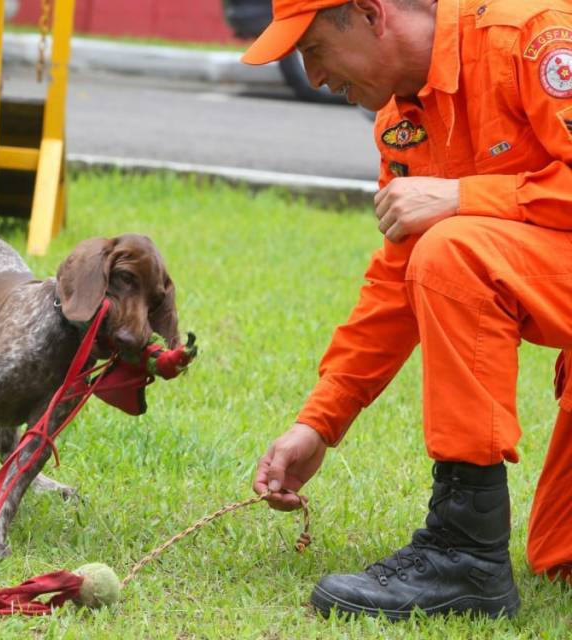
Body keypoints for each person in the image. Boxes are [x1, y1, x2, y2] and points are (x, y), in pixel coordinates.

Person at [241, 0, 572, 621]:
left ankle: (464, 554)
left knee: (453, 251)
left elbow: (448, 248)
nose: (315, 78)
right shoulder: (402, 121)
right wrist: (319, 423)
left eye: (314, 50)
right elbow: (398, 283)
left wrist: (464, 196)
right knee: (561, 557)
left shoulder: (530, 35)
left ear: (371, 15)